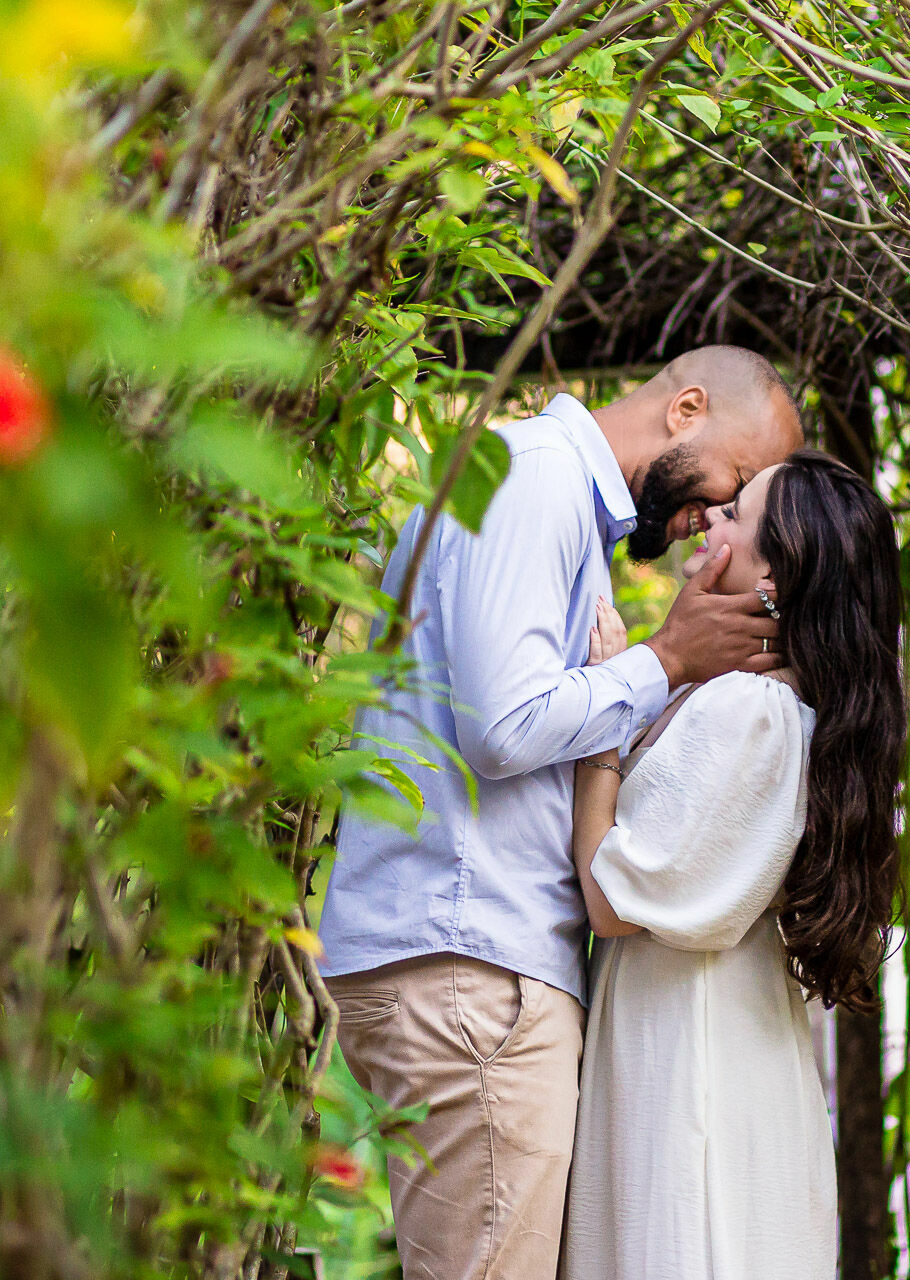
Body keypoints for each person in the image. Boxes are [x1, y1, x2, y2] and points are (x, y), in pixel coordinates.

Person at [318, 347, 802, 1280]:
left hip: (463, 964)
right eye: (733, 482)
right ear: (685, 409)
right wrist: (666, 660)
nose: (714, 517)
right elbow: (504, 728)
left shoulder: (546, 498)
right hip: (475, 970)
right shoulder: (535, 479)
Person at [561, 451, 906, 1280]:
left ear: (776, 581)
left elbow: (614, 894)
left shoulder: (751, 711)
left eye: (736, 515)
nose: (709, 516)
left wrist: (604, 721)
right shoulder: (758, 702)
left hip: (692, 1064)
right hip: (703, 1040)